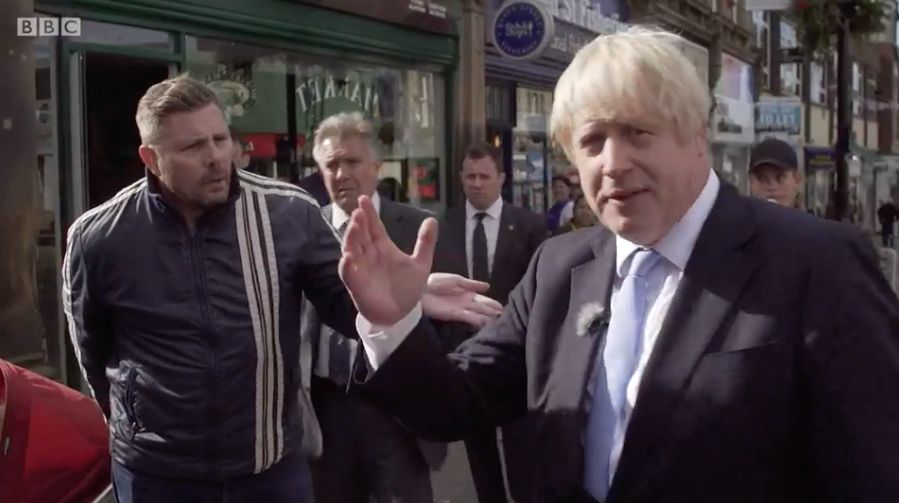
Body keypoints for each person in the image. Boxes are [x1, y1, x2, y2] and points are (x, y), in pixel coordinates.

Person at [338, 27, 899, 502]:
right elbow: (454, 406)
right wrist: (392, 322)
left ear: (696, 135)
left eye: (638, 133)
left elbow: (873, 470)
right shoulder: (559, 266)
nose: (613, 163)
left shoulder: (816, 262)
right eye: (592, 140)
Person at [61, 75, 501, 503]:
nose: (216, 157)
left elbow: (345, 302)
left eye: (220, 139)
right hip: (156, 475)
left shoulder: (287, 213)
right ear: (151, 158)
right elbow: (93, 352)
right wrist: (134, 423)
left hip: (268, 473)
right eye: (193, 147)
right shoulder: (100, 237)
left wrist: (405, 302)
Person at [301, 112, 446, 502]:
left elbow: (445, 326)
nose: (342, 173)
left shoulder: (418, 228)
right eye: (331, 164)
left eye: (352, 162)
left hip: (396, 409)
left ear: (377, 167)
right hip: (326, 408)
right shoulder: (306, 230)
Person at [431, 143, 548, 502]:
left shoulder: (530, 226)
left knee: (520, 451)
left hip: (515, 359)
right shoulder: (441, 225)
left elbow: (545, 290)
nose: (477, 184)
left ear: (502, 179)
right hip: (464, 358)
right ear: (461, 178)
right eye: (470, 176)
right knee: (479, 452)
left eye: (484, 176)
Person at [748, 137, 801, 208]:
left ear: (797, 180)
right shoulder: (736, 219)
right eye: (762, 178)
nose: (772, 187)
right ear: (751, 182)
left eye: (780, 178)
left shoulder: (809, 219)